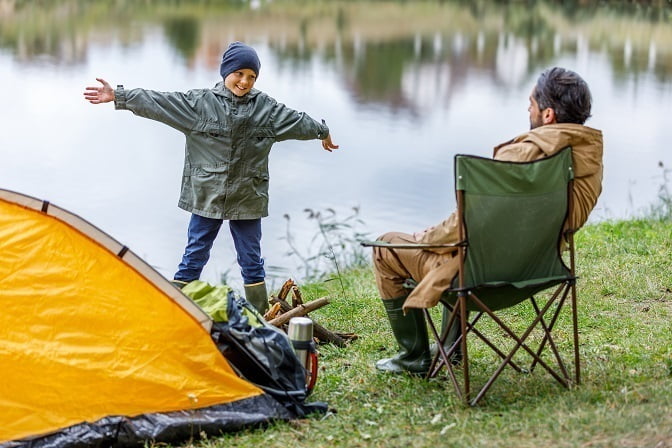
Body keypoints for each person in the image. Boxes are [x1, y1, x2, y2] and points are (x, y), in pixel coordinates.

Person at [371, 67, 603, 375]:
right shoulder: (588, 159)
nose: (528, 107)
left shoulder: (523, 156)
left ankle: (413, 356)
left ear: (548, 115)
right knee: (462, 250)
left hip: (479, 279)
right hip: (537, 270)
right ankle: (449, 350)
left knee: (386, 246)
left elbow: (463, 226)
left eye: (532, 102)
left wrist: (423, 239)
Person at [84, 41, 338, 314]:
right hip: (207, 195)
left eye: (251, 76)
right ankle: (176, 310)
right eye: (239, 73)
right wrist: (119, 96)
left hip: (247, 197)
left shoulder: (267, 109)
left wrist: (322, 131)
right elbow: (158, 102)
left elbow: (298, 121)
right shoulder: (199, 104)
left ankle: (262, 319)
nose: (244, 81)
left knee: (251, 261)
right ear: (226, 71)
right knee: (194, 255)